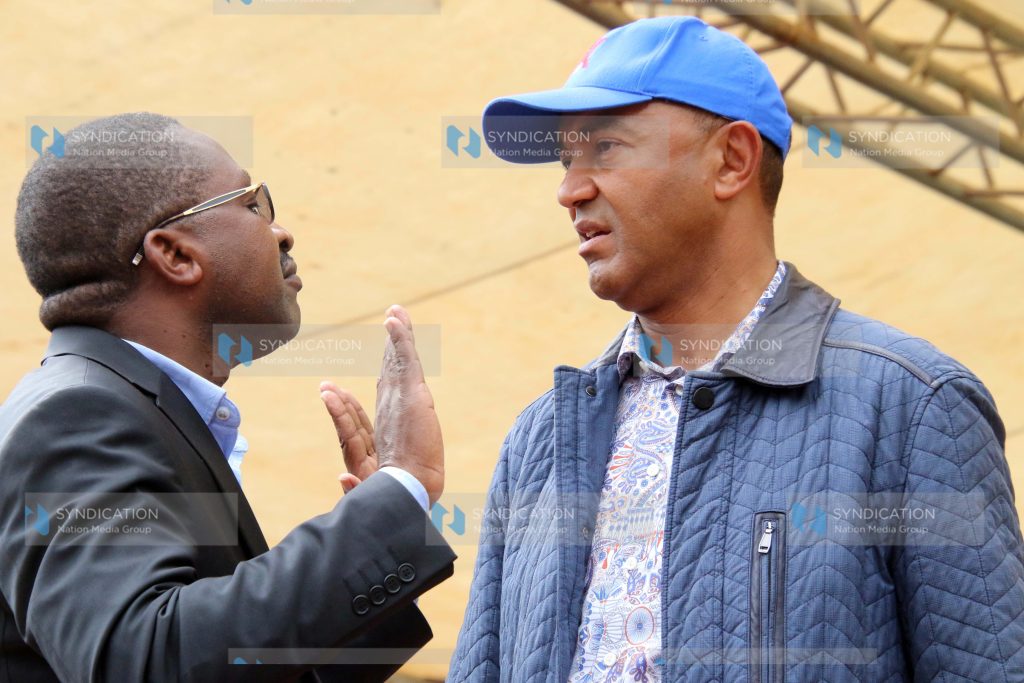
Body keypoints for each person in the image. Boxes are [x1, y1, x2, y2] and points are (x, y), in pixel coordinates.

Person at [448, 16, 1024, 682]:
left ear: (731, 161)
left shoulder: (913, 408)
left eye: (604, 148)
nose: (569, 189)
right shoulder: (538, 442)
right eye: (565, 160)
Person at [0, 112, 453, 682]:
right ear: (176, 255)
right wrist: (397, 494)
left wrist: (377, 526)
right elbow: (143, 661)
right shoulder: (75, 415)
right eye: (252, 203)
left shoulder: (130, 411)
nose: (281, 231)